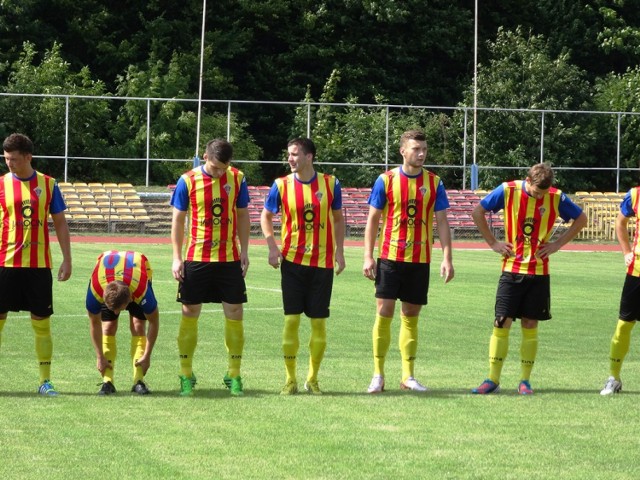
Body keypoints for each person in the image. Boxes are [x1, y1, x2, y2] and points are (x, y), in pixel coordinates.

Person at [471, 162, 587, 395]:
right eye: (536, 192)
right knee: (501, 321)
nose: (540, 197)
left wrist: (557, 244)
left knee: (530, 323)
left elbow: (581, 219)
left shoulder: (556, 197)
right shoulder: (507, 190)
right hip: (511, 270)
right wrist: (493, 242)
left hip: (539, 272)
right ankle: (492, 378)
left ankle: (525, 381)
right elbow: (477, 212)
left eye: (544, 193)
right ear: (528, 181)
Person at [363, 129, 454, 394]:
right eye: (416, 149)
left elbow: (442, 222)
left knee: (411, 315)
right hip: (390, 257)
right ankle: (378, 374)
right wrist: (368, 255)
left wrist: (447, 258)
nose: (422, 153)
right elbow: (372, 220)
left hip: (419, 259)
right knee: (384, 312)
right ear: (403, 151)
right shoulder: (386, 180)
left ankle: (408, 376)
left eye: (424, 149)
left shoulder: (434, 183)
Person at [260, 137, 345, 395]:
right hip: (293, 263)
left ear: (309, 157)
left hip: (322, 264)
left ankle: (313, 379)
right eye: (289, 154)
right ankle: (290, 379)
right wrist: (272, 247)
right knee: (291, 321)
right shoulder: (281, 185)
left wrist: (340, 251)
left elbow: (338, 219)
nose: (290, 159)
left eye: (295, 154)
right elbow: (266, 215)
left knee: (318, 323)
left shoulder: (331, 184)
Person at [171, 138, 249, 397]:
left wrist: (245, 252)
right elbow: (178, 220)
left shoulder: (237, 179)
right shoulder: (187, 181)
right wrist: (176, 257)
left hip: (228, 257)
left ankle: (234, 374)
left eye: (223, 169)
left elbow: (242, 215)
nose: (218, 173)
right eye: (215, 168)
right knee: (190, 311)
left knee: (235, 311)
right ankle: (185, 373)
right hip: (197, 257)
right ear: (205, 156)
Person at [0, 133, 72, 396]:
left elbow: (60, 223)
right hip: (4, 263)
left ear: (28, 157)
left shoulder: (49, 184)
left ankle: (45, 381)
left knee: (41, 323)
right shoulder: (0, 185)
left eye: (14, 159)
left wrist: (67, 258)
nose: (9, 163)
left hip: (39, 266)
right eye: (6, 159)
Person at [86, 250, 159, 395]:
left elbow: (154, 322)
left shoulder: (141, 290)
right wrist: (100, 356)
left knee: (138, 325)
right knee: (108, 327)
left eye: (119, 309)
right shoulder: (95, 291)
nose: (116, 313)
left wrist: (147, 355)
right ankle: (108, 382)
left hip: (137, 268)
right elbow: (94, 323)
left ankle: (138, 381)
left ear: (131, 299)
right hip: (106, 274)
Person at [600, 186, 640, 395]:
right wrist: (626, 252)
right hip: (637, 272)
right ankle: (614, 378)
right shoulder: (635, 194)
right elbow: (620, 222)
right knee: (624, 326)